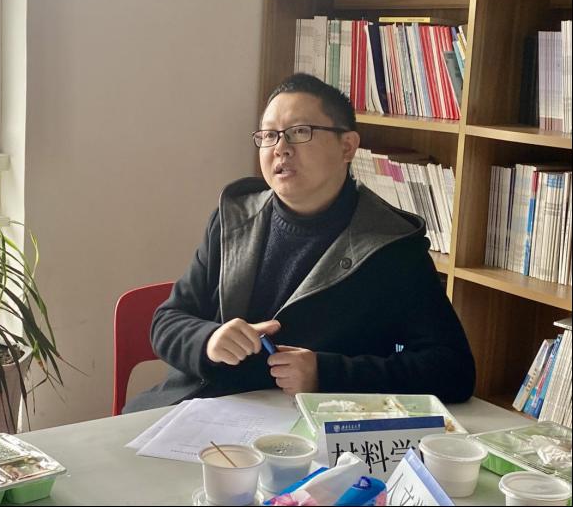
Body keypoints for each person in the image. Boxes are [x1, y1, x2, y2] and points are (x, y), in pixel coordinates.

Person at [124, 73, 475, 413]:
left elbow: (452, 369)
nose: (281, 148)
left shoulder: (391, 245)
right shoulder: (233, 218)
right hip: (200, 411)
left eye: (299, 132)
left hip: (310, 426)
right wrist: (208, 340)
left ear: (347, 146)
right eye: (269, 135)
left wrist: (328, 374)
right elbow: (167, 321)